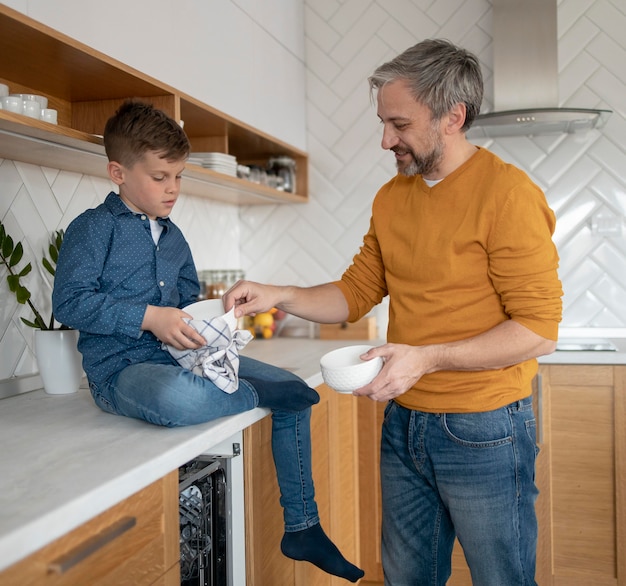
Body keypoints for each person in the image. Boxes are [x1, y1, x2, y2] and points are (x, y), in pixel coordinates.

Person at [223, 39, 563, 586]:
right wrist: (279, 293)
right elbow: (357, 291)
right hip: (404, 423)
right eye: (383, 123)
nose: (386, 140)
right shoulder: (393, 197)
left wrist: (427, 358)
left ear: (453, 116)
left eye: (399, 124)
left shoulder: (508, 195)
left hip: (485, 428)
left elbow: (538, 331)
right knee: (407, 577)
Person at [52, 100, 364, 583]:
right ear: (118, 171)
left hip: (182, 360)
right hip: (121, 374)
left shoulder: (175, 238)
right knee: (176, 397)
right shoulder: (92, 229)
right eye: (160, 177)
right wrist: (148, 317)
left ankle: (303, 525)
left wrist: (219, 320)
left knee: (296, 389)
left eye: (178, 176)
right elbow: (70, 303)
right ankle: (259, 396)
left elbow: (188, 302)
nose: (173, 188)